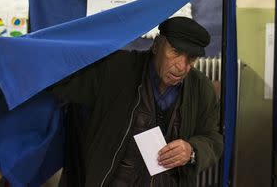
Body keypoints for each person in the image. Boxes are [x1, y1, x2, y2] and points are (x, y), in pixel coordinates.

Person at [48, 16, 223, 187]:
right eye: (175, 52)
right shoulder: (117, 70)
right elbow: (61, 78)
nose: (182, 66)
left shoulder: (201, 88)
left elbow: (213, 138)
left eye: (191, 58)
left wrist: (192, 150)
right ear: (156, 46)